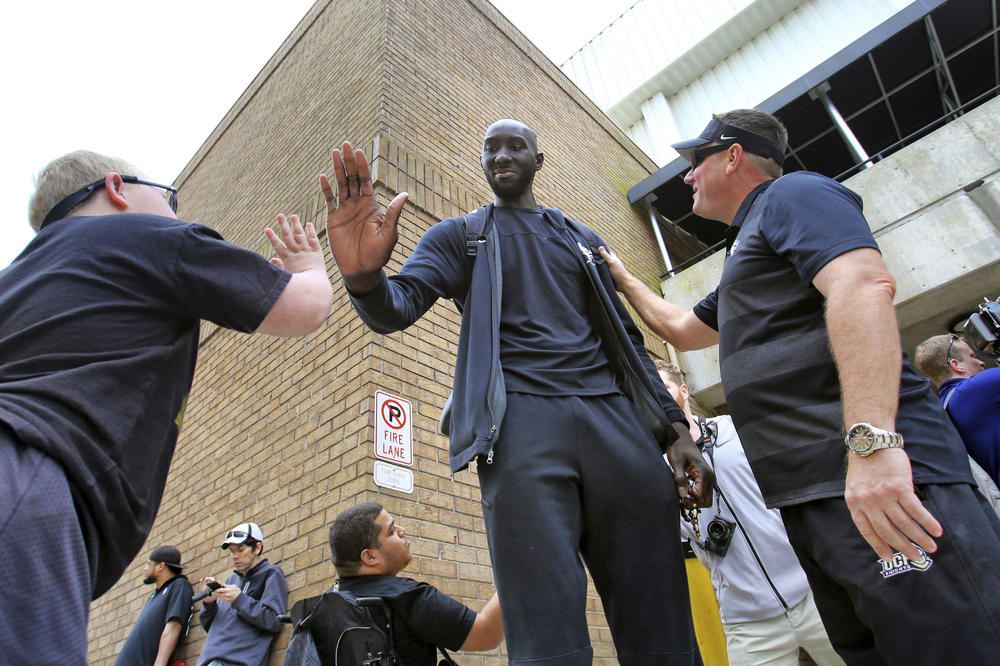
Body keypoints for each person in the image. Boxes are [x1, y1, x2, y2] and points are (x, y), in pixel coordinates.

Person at [598, 109, 1000, 664]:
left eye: (695, 162)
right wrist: (618, 276)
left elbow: (861, 284)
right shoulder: (744, 255)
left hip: (874, 480)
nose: (687, 177)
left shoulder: (793, 195)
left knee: (953, 648)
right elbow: (681, 330)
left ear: (733, 155)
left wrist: (873, 446)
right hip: (813, 502)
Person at [322, 120, 712, 665]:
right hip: (522, 432)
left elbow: (626, 342)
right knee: (544, 629)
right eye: (490, 148)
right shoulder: (460, 236)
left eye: (515, 147)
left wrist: (674, 431)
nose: (501, 156)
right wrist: (364, 279)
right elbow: (398, 307)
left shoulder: (581, 239)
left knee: (663, 625)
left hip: (615, 426)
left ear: (537, 160)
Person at [0, 150, 333, 665]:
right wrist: (309, 266)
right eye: (169, 196)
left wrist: (242, 283)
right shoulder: (150, 237)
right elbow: (305, 308)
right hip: (29, 481)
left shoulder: (19, 277)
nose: (176, 210)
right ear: (116, 187)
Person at [656, 361, 842, 666]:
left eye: (665, 390)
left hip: (815, 593)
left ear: (684, 390)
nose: (661, 401)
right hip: (746, 622)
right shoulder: (656, 470)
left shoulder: (735, 429)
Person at [324, 502, 503, 665]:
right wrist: (517, 569)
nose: (402, 531)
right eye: (392, 531)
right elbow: (487, 634)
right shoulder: (407, 596)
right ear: (370, 556)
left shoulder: (325, 605)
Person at [197, 522, 287, 666]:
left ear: (257, 548)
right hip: (209, 661)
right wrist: (209, 603)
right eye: (232, 551)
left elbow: (274, 621)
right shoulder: (231, 581)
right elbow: (212, 628)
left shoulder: (271, 573)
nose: (234, 556)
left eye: (240, 549)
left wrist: (239, 599)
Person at [915, 333, 999, 484]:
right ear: (956, 364)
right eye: (972, 356)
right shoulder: (975, 389)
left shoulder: (944, 413)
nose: (981, 362)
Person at [115, 546, 195, 666]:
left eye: (148, 564)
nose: (145, 569)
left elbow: (173, 626)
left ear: (161, 566)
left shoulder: (179, 586)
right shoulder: (155, 594)